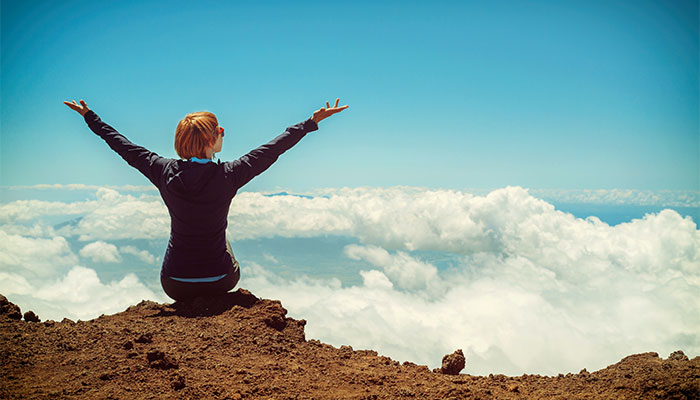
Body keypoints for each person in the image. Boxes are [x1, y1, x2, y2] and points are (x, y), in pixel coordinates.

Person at [63, 98, 349, 302]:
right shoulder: (231, 174)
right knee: (221, 237)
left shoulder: (160, 170)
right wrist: (311, 122)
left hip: (174, 284)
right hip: (220, 281)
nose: (222, 134)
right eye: (220, 131)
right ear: (213, 139)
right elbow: (273, 149)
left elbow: (121, 144)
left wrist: (90, 116)